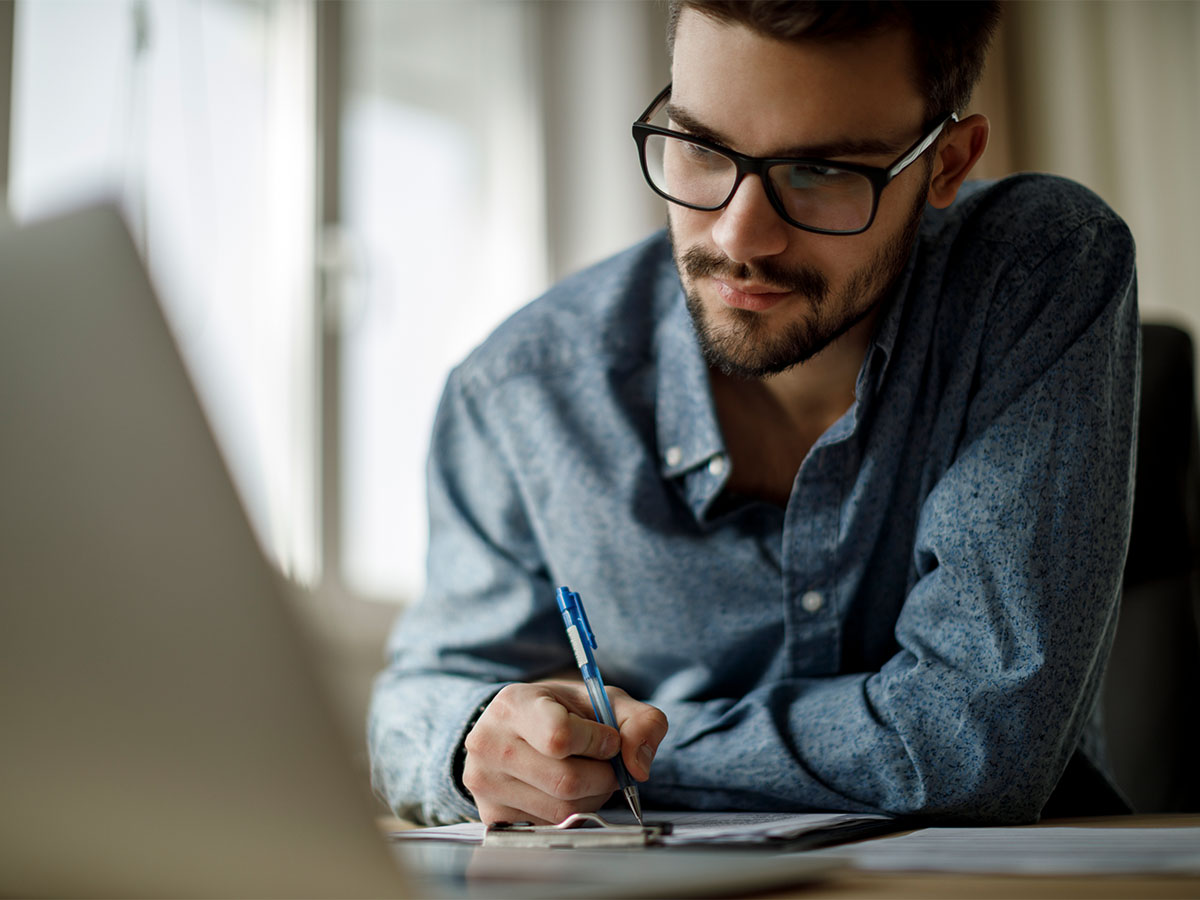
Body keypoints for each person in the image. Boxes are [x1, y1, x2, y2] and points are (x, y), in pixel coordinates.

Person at [369, 0, 1139, 827]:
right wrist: (480, 742)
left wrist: (626, 759)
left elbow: (977, 742)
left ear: (947, 164)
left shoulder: (1038, 274)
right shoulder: (520, 390)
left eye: (820, 172)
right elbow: (419, 703)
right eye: (700, 149)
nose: (741, 237)